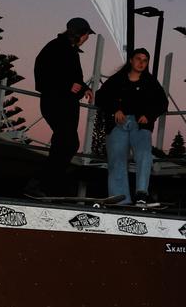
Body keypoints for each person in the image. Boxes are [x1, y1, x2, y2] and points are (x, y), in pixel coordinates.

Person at [25, 17, 94, 198]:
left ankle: (47, 185)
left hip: (67, 104)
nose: (87, 38)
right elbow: (42, 75)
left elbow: (74, 78)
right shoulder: (55, 47)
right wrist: (67, 85)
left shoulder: (71, 51)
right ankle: (39, 183)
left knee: (65, 144)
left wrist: (84, 88)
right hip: (55, 102)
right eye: (87, 35)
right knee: (67, 142)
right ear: (81, 34)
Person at [95, 47, 168, 205]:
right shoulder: (117, 79)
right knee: (117, 159)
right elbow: (100, 97)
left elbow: (162, 103)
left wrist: (148, 115)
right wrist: (115, 110)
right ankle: (119, 199)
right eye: (138, 59)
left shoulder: (151, 82)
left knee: (144, 154)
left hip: (140, 125)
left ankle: (141, 193)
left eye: (145, 60)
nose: (141, 63)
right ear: (131, 60)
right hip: (118, 124)